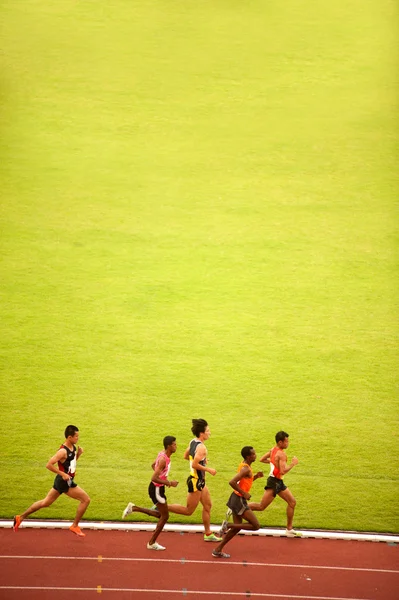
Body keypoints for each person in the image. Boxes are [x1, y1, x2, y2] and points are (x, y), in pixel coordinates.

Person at [13, 425, 90, 537]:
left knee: (45, 502)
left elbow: (70, 464)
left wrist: (78, 454)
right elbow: (49, 465)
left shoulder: (73, 447)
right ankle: (74, 525)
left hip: (61, 481)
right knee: (85, 500)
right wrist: (63, 474)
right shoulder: (62, 451)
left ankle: (20, 517)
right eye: (76, 436)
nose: (78, 438)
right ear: (69, 437)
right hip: (64, 482)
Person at [167, 418, 221, 542]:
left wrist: (202, 461)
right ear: (202, 433)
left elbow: (186, 456)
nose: (210, 433)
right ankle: (162, 506)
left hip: (200, 481)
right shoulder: (202, 448)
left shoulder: (193, 442)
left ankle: (208, 534)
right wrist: (208, 469)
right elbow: (194, 465)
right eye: (208, 431)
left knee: (207, 505)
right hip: (196, 481)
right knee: (188, 511)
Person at [122, 435, 179, 551]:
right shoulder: (164, 459)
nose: (176, 446)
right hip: (157, 490)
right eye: (174, 444)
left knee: (160, 515)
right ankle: (151, 543)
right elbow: (154, 477)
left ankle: (134, 508)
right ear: (169, 446)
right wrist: (168, 482)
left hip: (156, 488)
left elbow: (153, 465)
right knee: (165, 516)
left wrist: (162, 477)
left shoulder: (162, 454)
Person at [212, 446, 263, 559]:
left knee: (237, 527)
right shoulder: (246, 469)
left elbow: (243, 481)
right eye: (254, 454)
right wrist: (244, 493)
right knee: (256, 525)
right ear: (248, 457)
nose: (255, 455)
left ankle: (217, 549)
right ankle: (228, 525)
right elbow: (232, 482)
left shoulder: (245, 465)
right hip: (239, 499)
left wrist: (255, 477)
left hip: (235, 498)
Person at [249, 430, 301, 537]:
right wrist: (292, 464)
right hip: (274, 482)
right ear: (280, 442)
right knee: (261, 506)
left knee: (292, 502)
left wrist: (273, 462)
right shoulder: (281, 454)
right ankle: (238, 507)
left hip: (278, 482)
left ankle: (289, 529)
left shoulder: (273, 450)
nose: (288, 443)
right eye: (286, 442)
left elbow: (262, 459)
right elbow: (283, 471)